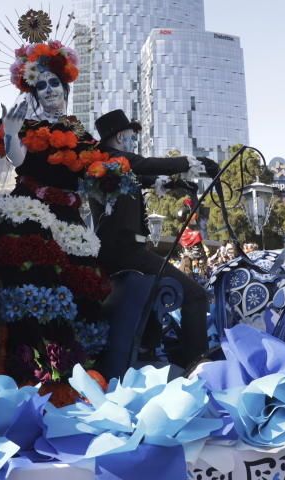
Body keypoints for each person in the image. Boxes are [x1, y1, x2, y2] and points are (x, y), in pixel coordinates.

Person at [0, 16, 112, 403]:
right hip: (33, 215)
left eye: (54, 83)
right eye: (40, 85)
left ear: (65, 85)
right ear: (34, 91)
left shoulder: (79, 132)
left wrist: (110, 182)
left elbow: (92, 176)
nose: (49, 90)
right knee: (38, 292)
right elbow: (18, 159)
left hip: (72, 221)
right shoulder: (26, 125)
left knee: (80, 295)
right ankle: (37, 373)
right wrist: (10, 131)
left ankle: (79, 374)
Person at [89, 108, 220, 369]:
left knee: (156, 298)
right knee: (196, 295)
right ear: (118, 137)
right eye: (129, 136)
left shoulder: (111, 165)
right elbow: (145, 165)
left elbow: (145, 177)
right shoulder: (112, 160)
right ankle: (197, 364)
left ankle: (151, 352)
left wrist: (174, 184)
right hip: (126, 252)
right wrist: (194, 162)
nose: (132, 141)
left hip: (122, 251)